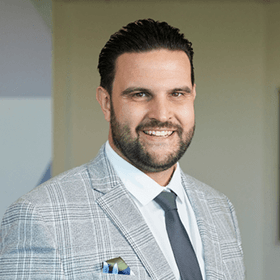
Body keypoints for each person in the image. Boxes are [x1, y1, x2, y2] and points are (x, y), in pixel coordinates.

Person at [0, 19, 245, 279]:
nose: (161, 114)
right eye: (140, 94)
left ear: (192, 96)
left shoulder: (220, 208)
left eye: (177, 94)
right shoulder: (41, 216)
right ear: (106, 103)